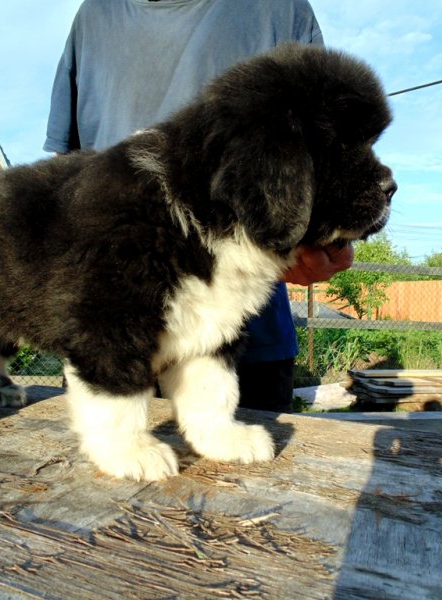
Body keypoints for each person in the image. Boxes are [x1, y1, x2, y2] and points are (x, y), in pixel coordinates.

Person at [44, 0, 353, 412]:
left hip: (241, 341)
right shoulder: (93, 17)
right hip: (115, 342)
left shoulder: (280, 9)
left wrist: (318, 239)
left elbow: (323, 159)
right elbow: (67, 183)